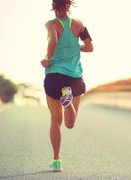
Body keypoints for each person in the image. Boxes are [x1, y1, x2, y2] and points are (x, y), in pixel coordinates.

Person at [40, 0, 93, 172]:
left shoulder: (51, 24)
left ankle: (56, 160)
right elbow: (90, 47)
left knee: (56, 121)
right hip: (74, 78)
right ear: (69, 6)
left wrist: (48, 58)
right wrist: (77, 47)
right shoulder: (79, 24)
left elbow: (54, 40)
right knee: (70, 123)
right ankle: (67, 101)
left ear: (54, 7)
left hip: (54, 75)